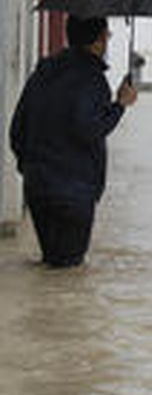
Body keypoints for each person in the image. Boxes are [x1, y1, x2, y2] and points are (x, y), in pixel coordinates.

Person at [8, 15, 137, 268]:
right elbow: (90, 130)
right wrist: (120, 105)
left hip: (37, 189)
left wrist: (31, 169)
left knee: (50, 268)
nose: (109, 39)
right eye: (107, 34)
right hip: (74, 194)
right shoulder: (92, 78)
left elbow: (17, 131)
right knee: (68, 271)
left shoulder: (43, 72)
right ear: (99, 40)